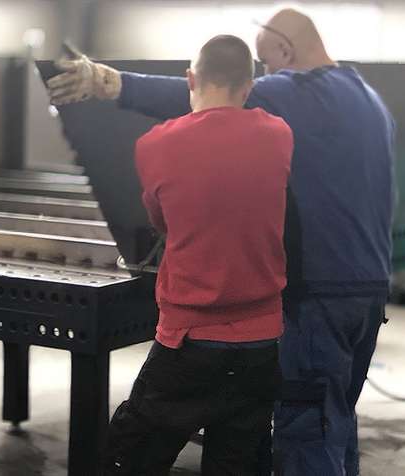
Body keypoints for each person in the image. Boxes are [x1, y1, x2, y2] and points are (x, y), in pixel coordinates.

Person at [48, 8, 395, 476]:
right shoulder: (369, 97)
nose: (266, 78)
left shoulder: (299, 93)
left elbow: (213, 97)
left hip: (320, 296)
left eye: (268, 64)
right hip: (369, 291)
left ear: (285, 53)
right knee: (334, 420)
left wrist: (114, 83)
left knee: (304, 434)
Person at [101, 34, 292, 475]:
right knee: (237, 464)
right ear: (250, 85)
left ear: (190, 78)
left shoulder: (155, 144)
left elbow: (163, 222)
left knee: (129, 458)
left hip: (188, 342)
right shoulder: (279, 135)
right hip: (261, 343)